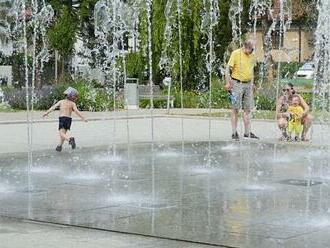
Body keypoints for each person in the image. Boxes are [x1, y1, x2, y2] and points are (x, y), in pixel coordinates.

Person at [225, 40, 259, 140]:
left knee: (247, 109)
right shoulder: (235, 53)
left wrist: (252, 83)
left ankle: (247, 132)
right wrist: (227, 83)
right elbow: (228, 69)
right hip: (236, 84)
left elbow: (251, 70)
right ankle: (234, 132)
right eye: (251, 49)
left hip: (248, 84)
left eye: (253, 49)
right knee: (235, 109)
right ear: (245, 47)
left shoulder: (252, 56)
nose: (252, 51)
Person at [42, 87, 88, 152]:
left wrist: (46, 112)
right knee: (64, 134)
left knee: (61, 134)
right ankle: (59, 146)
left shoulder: (61, 101)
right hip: (69, 120)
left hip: (62, 118)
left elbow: (53, 107)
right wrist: (83, 118)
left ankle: (70, 140)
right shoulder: (73, 104)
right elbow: (77, 111)